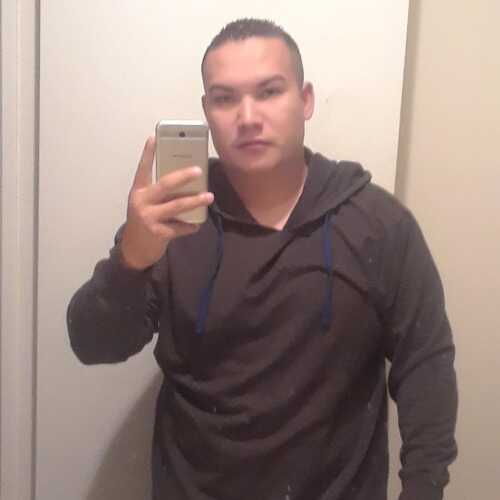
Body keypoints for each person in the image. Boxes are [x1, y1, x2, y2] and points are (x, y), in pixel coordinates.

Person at [67, 18, 458, 500]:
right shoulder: (169, 223)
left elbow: (425, 364)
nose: (247, 116)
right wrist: (130, 262)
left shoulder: (378, 224)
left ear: (306, 100)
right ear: (207, 112)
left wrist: (423, 489)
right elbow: (92, 345)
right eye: (225, 98)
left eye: (269, 91)